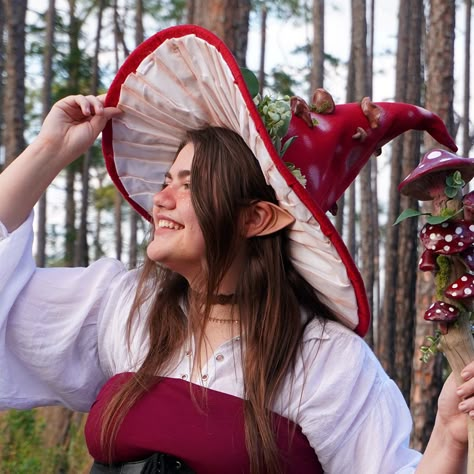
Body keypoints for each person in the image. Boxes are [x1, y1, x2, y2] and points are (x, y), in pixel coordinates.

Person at [0, 24, 473, 474]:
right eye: (166, 181)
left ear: (257, 218)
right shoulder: (126, 310)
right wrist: (48, 149)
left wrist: (450, 435)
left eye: (189, 185)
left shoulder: (325, 361)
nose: (161, 199)